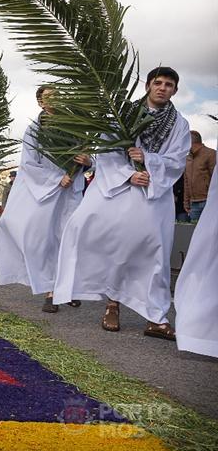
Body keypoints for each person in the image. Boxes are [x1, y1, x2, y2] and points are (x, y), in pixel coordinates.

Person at [53, 67, 190, 339]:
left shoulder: (180, 124)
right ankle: (112, 304)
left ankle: (156, 318)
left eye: (169, 84)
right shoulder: (122, 115)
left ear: (175, 90)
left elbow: (177, 159)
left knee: (155, 255)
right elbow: (105, 151)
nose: (163, 88)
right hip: (122, 190)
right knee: (114, 245)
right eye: (158, 82)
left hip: (154, 193)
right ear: (148, 86)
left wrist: (149, 162)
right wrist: (129, 174)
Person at [0, 86, 90, 312]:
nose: (53, 100)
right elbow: (28, 164)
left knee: (69, 238)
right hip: (47, 192)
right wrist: (58, 179)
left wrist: (88, 161)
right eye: (48, 97)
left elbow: (89, 155)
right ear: (40, 102)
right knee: (46, 240)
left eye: (57, 96)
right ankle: (50, 290)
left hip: (71, 192)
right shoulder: (34, 130)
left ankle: (68, 288)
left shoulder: (73, 127)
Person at [174, 163, 218, 357]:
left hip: (202, 197)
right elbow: (187, 181)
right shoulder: (190, 160)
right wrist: (187, 200)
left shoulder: (207, 155)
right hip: (196, 200)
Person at [183, 130, 215, 223]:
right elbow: (186, 181)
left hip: (208, 202)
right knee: (194, 232)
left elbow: (215, 178)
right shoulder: (188, 158)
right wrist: (186, 202)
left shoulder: (211, 154)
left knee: (210, 233)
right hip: (194, 204)